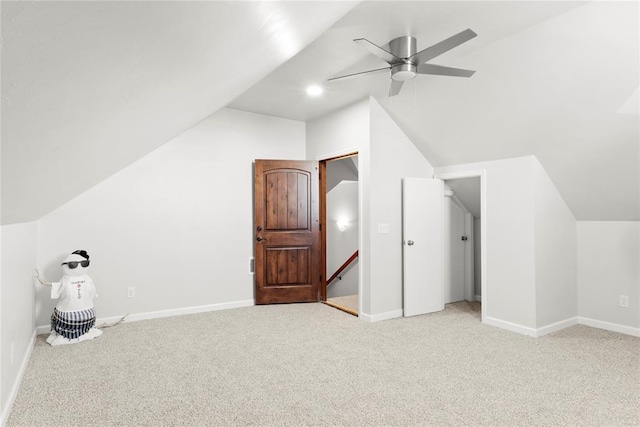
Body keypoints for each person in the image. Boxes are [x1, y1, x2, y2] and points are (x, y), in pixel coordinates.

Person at [35, 250, 102, 346]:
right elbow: (91, 294)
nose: (79, 267)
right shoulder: (67, 280)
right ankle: (68, 336)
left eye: (84, 263)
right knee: (63, 314)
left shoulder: (86, 278)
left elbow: (91, 292)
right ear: (65, 265)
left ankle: (79, 333)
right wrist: (43, 281)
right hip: (79, 314)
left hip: (84, 314)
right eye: (73, 265)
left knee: (57, 315)